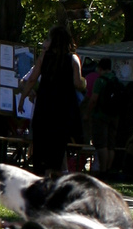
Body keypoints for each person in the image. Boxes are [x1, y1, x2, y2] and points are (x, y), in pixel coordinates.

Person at [19, 27, 86, 176]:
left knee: (41, 143)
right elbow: (77, 83)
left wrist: (23, 98)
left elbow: (31, 79)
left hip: (44, 105)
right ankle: (55, 175)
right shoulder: (73, 58)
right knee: (57, 146)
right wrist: (84, 82)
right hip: (63, 107)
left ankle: (41, 175)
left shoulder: (44, 57)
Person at [85, 57, 121, 176]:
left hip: (100, 114)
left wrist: (87, 113)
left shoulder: (100, 81)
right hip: (114, 115)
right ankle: (109, 169)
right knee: (111, 144)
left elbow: (93, 99)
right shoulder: (116, 81)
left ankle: (103, 170)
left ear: (100, 68)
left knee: (101, 144)